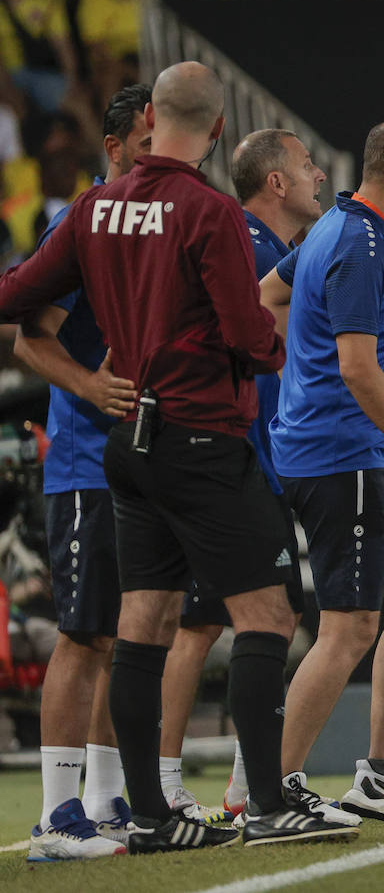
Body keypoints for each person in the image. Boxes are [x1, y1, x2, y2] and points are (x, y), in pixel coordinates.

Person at [0, 61, 352, 850]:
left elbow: (14, 300)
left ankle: (150, 817)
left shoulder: (93, 208)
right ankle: (265, 804)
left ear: (151, 121)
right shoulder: (210, 212)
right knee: (269, 615)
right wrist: (273, 343)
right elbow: (247, 336)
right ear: (218, 130)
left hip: (129, 445)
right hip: (202, 435)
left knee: (142, 625)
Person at [263, 120, 384, 822]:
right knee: (347, 629)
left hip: (345, 452)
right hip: (340, 455)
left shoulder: (336, 229)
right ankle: (270, 788)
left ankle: (381, 773)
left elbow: (268, 298)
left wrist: (298, 369)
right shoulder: (361, 241)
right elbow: (355, 364)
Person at [157, 128, 326, 822]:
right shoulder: (247, 245)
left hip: (252, 463)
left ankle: (243, 783)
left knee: (264, 623)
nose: (320, 174)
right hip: (227, 463)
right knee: (198, 624)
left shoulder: (277, 251)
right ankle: (167, 783)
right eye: (307, 164)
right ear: (276, 183)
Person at [11, 83, 150, 863]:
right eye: (147, 143)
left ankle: (102, 800)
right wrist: (93, 387)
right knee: (84, 633)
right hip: (83, 465)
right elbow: (33, 339)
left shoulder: (158, 225)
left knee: (125, 633)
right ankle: (56, 817)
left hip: (139, 466)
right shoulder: (80, 221)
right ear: (117, 149)